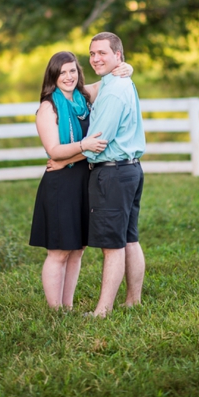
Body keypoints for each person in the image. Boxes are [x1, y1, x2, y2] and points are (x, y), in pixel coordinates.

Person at [29, 52, 132, 310]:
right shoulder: (48, 107)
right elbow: (54, 150)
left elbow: (106, 81)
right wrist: (83, 145)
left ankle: (68, 306)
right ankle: (56, 311)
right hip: (60, 185)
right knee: (59, 251)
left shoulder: (83, 98)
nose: (68, 76)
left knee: (78, 248)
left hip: (84, 181)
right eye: (62, 72)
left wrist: (124, 67)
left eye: (72, 71)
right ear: (53, 76)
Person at [82, 32, 146, 318]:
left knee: (112, 245)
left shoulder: (115, 90)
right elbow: (83, 89)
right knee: (129, 238)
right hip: (130, 169)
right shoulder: (119, 81)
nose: (96, 58)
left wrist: (64, 156)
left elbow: (98, 141)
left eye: (102, 53)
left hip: (112, 173)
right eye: (92, 53)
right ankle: (133, 301)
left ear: (118, 55)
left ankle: (102, 311)